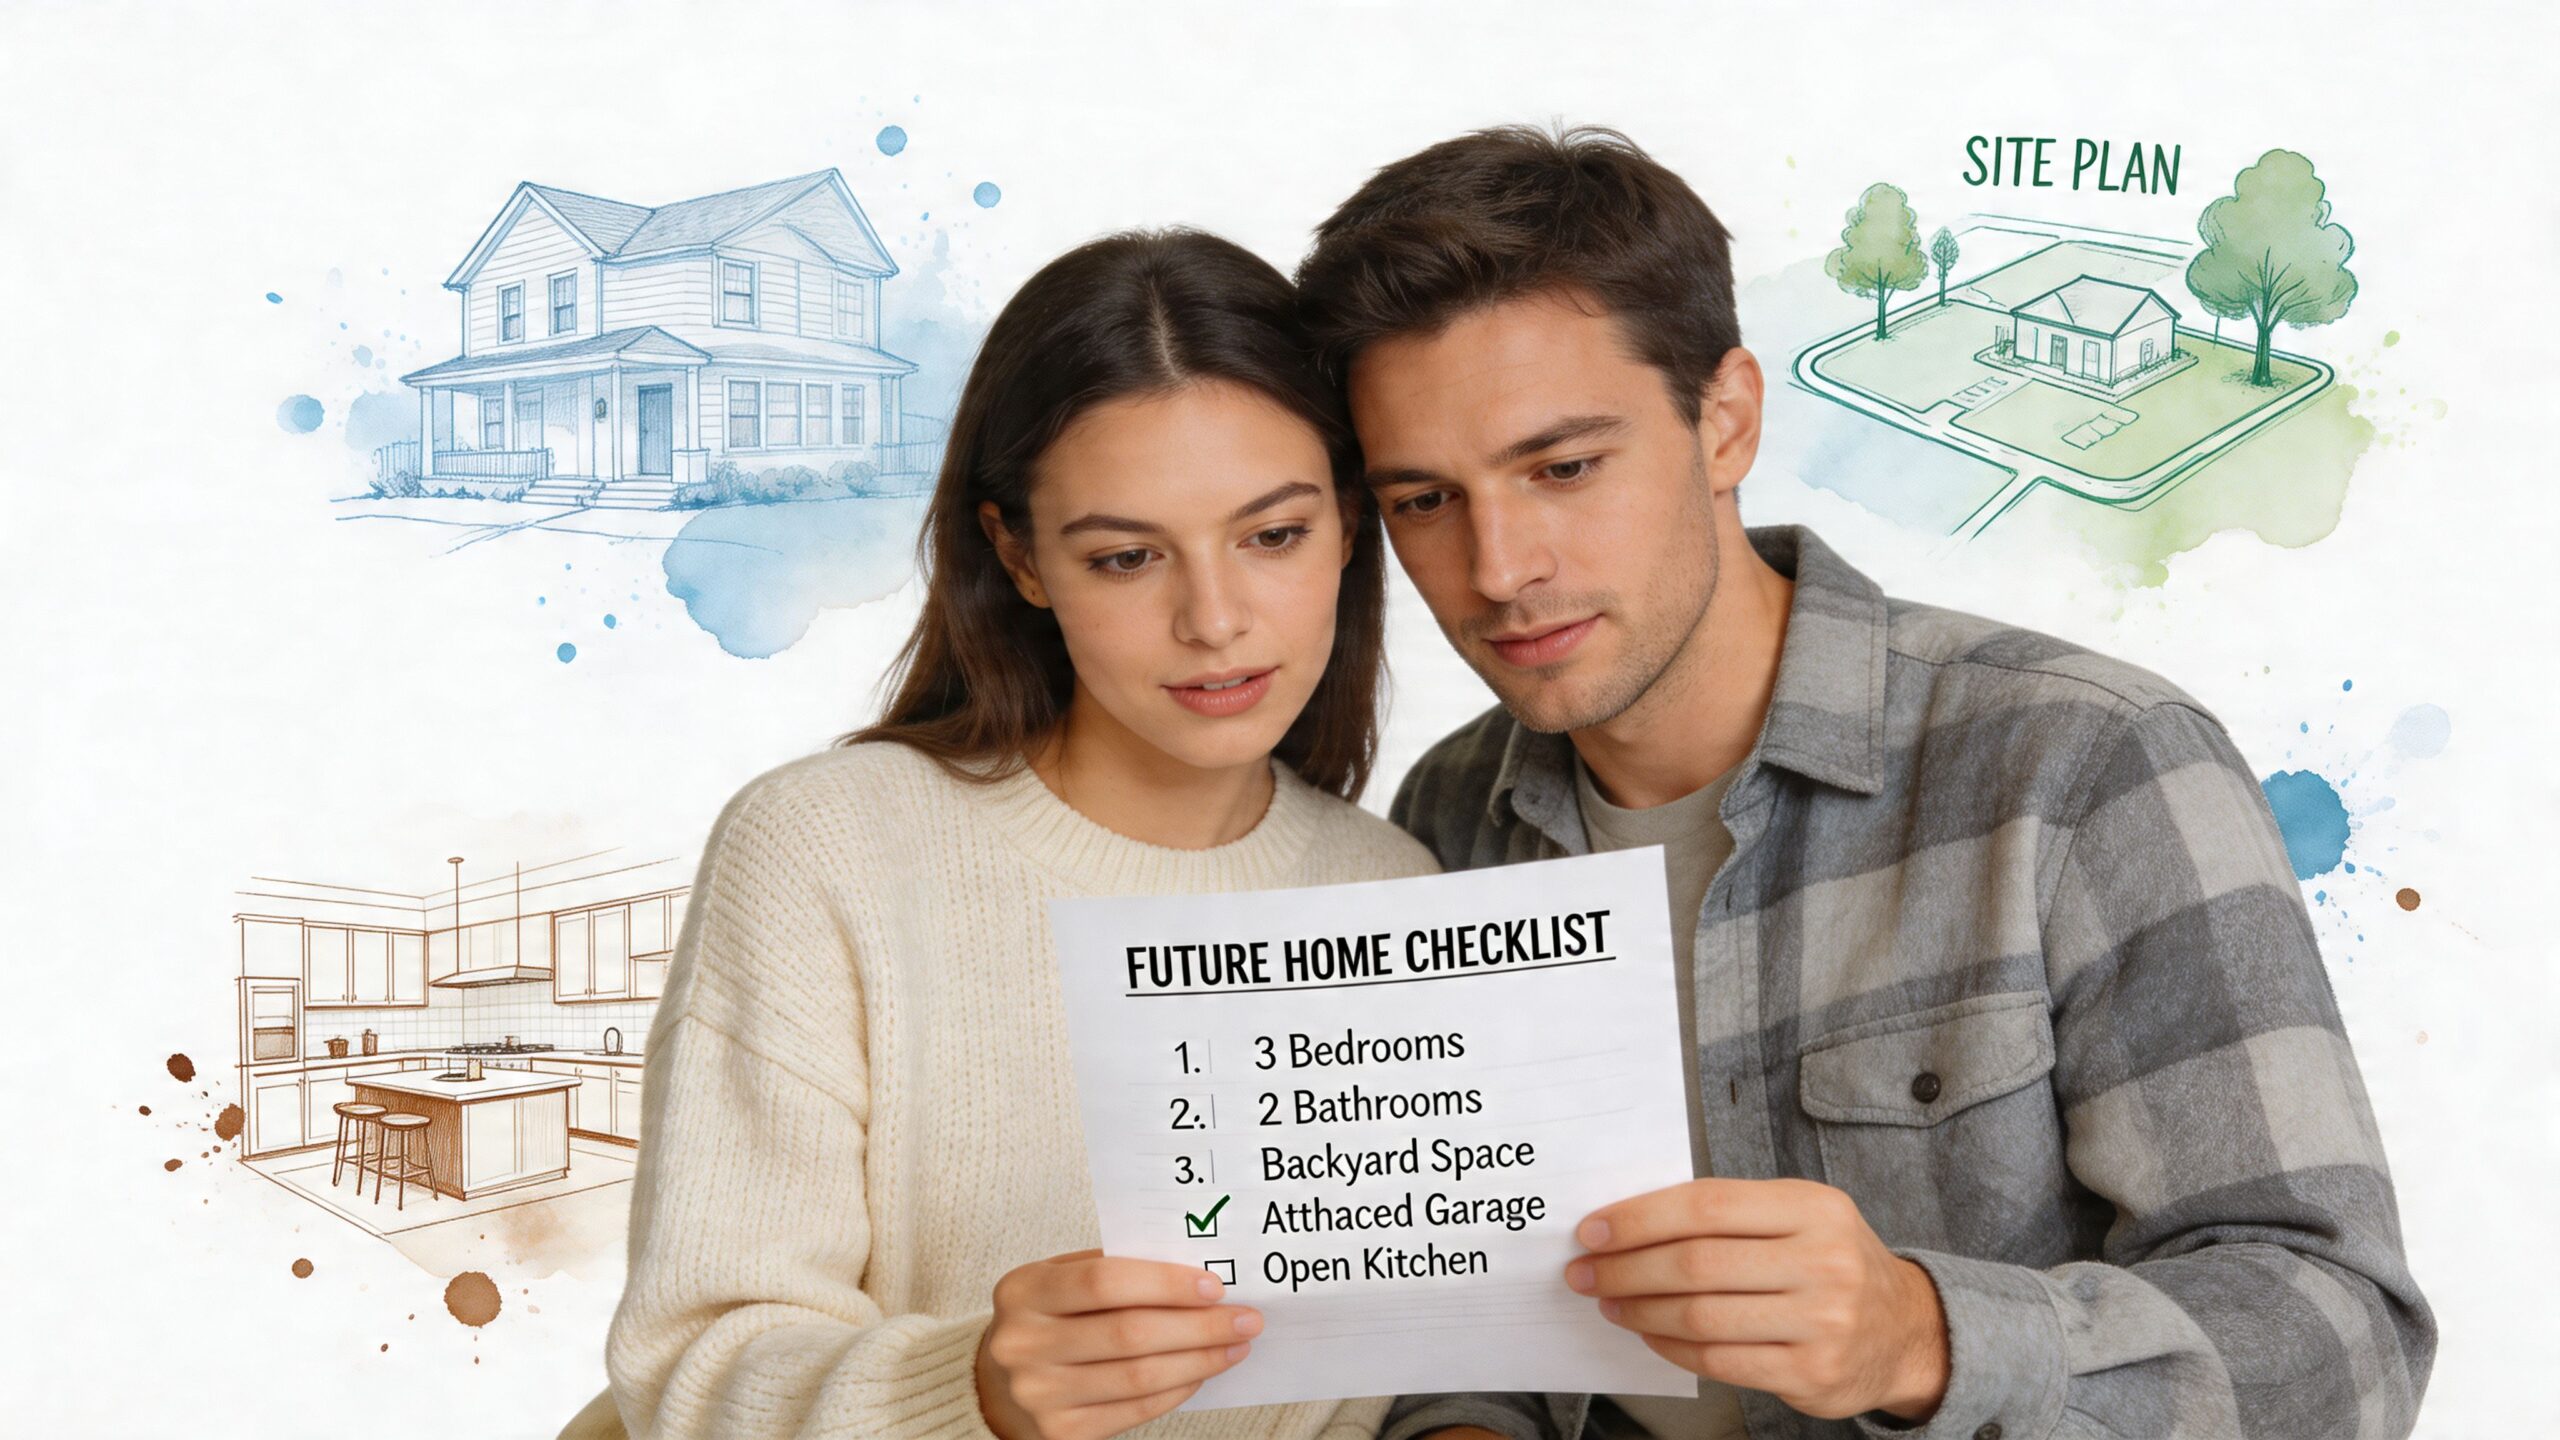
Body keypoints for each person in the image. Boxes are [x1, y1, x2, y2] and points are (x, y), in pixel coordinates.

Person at [1290, 125, 2435, 1440]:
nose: (1497, 567)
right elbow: (1477, 1299)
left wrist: (1924, 1338)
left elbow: (2344, 1342)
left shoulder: (2087, 766)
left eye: (1564, 467)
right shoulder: (1445, 819)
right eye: (1426, 500)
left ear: (1726, 420)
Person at [589, 228, 1435, 1440]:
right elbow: (687, 1368)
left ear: (1350, 526)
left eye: (1273, 535)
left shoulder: (1400, 893)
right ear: (1019, 556)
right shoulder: (828, 850)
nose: (1213, 620)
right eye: (1126, 557)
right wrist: (972, 1389)